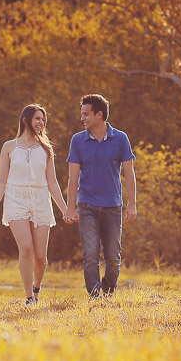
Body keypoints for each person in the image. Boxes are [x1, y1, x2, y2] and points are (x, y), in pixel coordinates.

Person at [0, 104, 68, 305]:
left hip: (40, 199)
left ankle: (37, 288)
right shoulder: (9, 147)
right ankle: (28, 297)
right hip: (16, 198)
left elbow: (52, 182)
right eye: (37, 118)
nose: (41, 122)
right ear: (26, 120)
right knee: (25, 248)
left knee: (40, 256)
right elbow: (1, 180)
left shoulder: (46, 149)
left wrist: (65, 209)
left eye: (43, 119)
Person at [63, 93, 136, 298]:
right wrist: (70, 207)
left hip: (113, 206)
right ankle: (95, 297)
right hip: (86, 206)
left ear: (99, 115)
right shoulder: (78, 140)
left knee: (113, 257)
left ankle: (108, 291)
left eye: (86, 114)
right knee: (90, 255)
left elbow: (129, 173)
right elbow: (73, 177)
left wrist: (132, 204)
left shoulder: (120, 138)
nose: (82, 118)